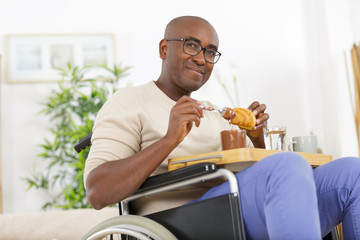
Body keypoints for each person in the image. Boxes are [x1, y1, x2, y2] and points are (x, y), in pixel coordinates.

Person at [84, 16, 360, 239]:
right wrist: (169, 140)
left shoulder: (213, 112)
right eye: (191, 45)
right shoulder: (129, 101)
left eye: (211, 52)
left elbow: (264, 177)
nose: (202, 58)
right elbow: (97, 192)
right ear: (164, 48)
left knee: (352, 173)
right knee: (286, 164)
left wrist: (256, 138)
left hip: (232, 204)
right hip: (179, 219)